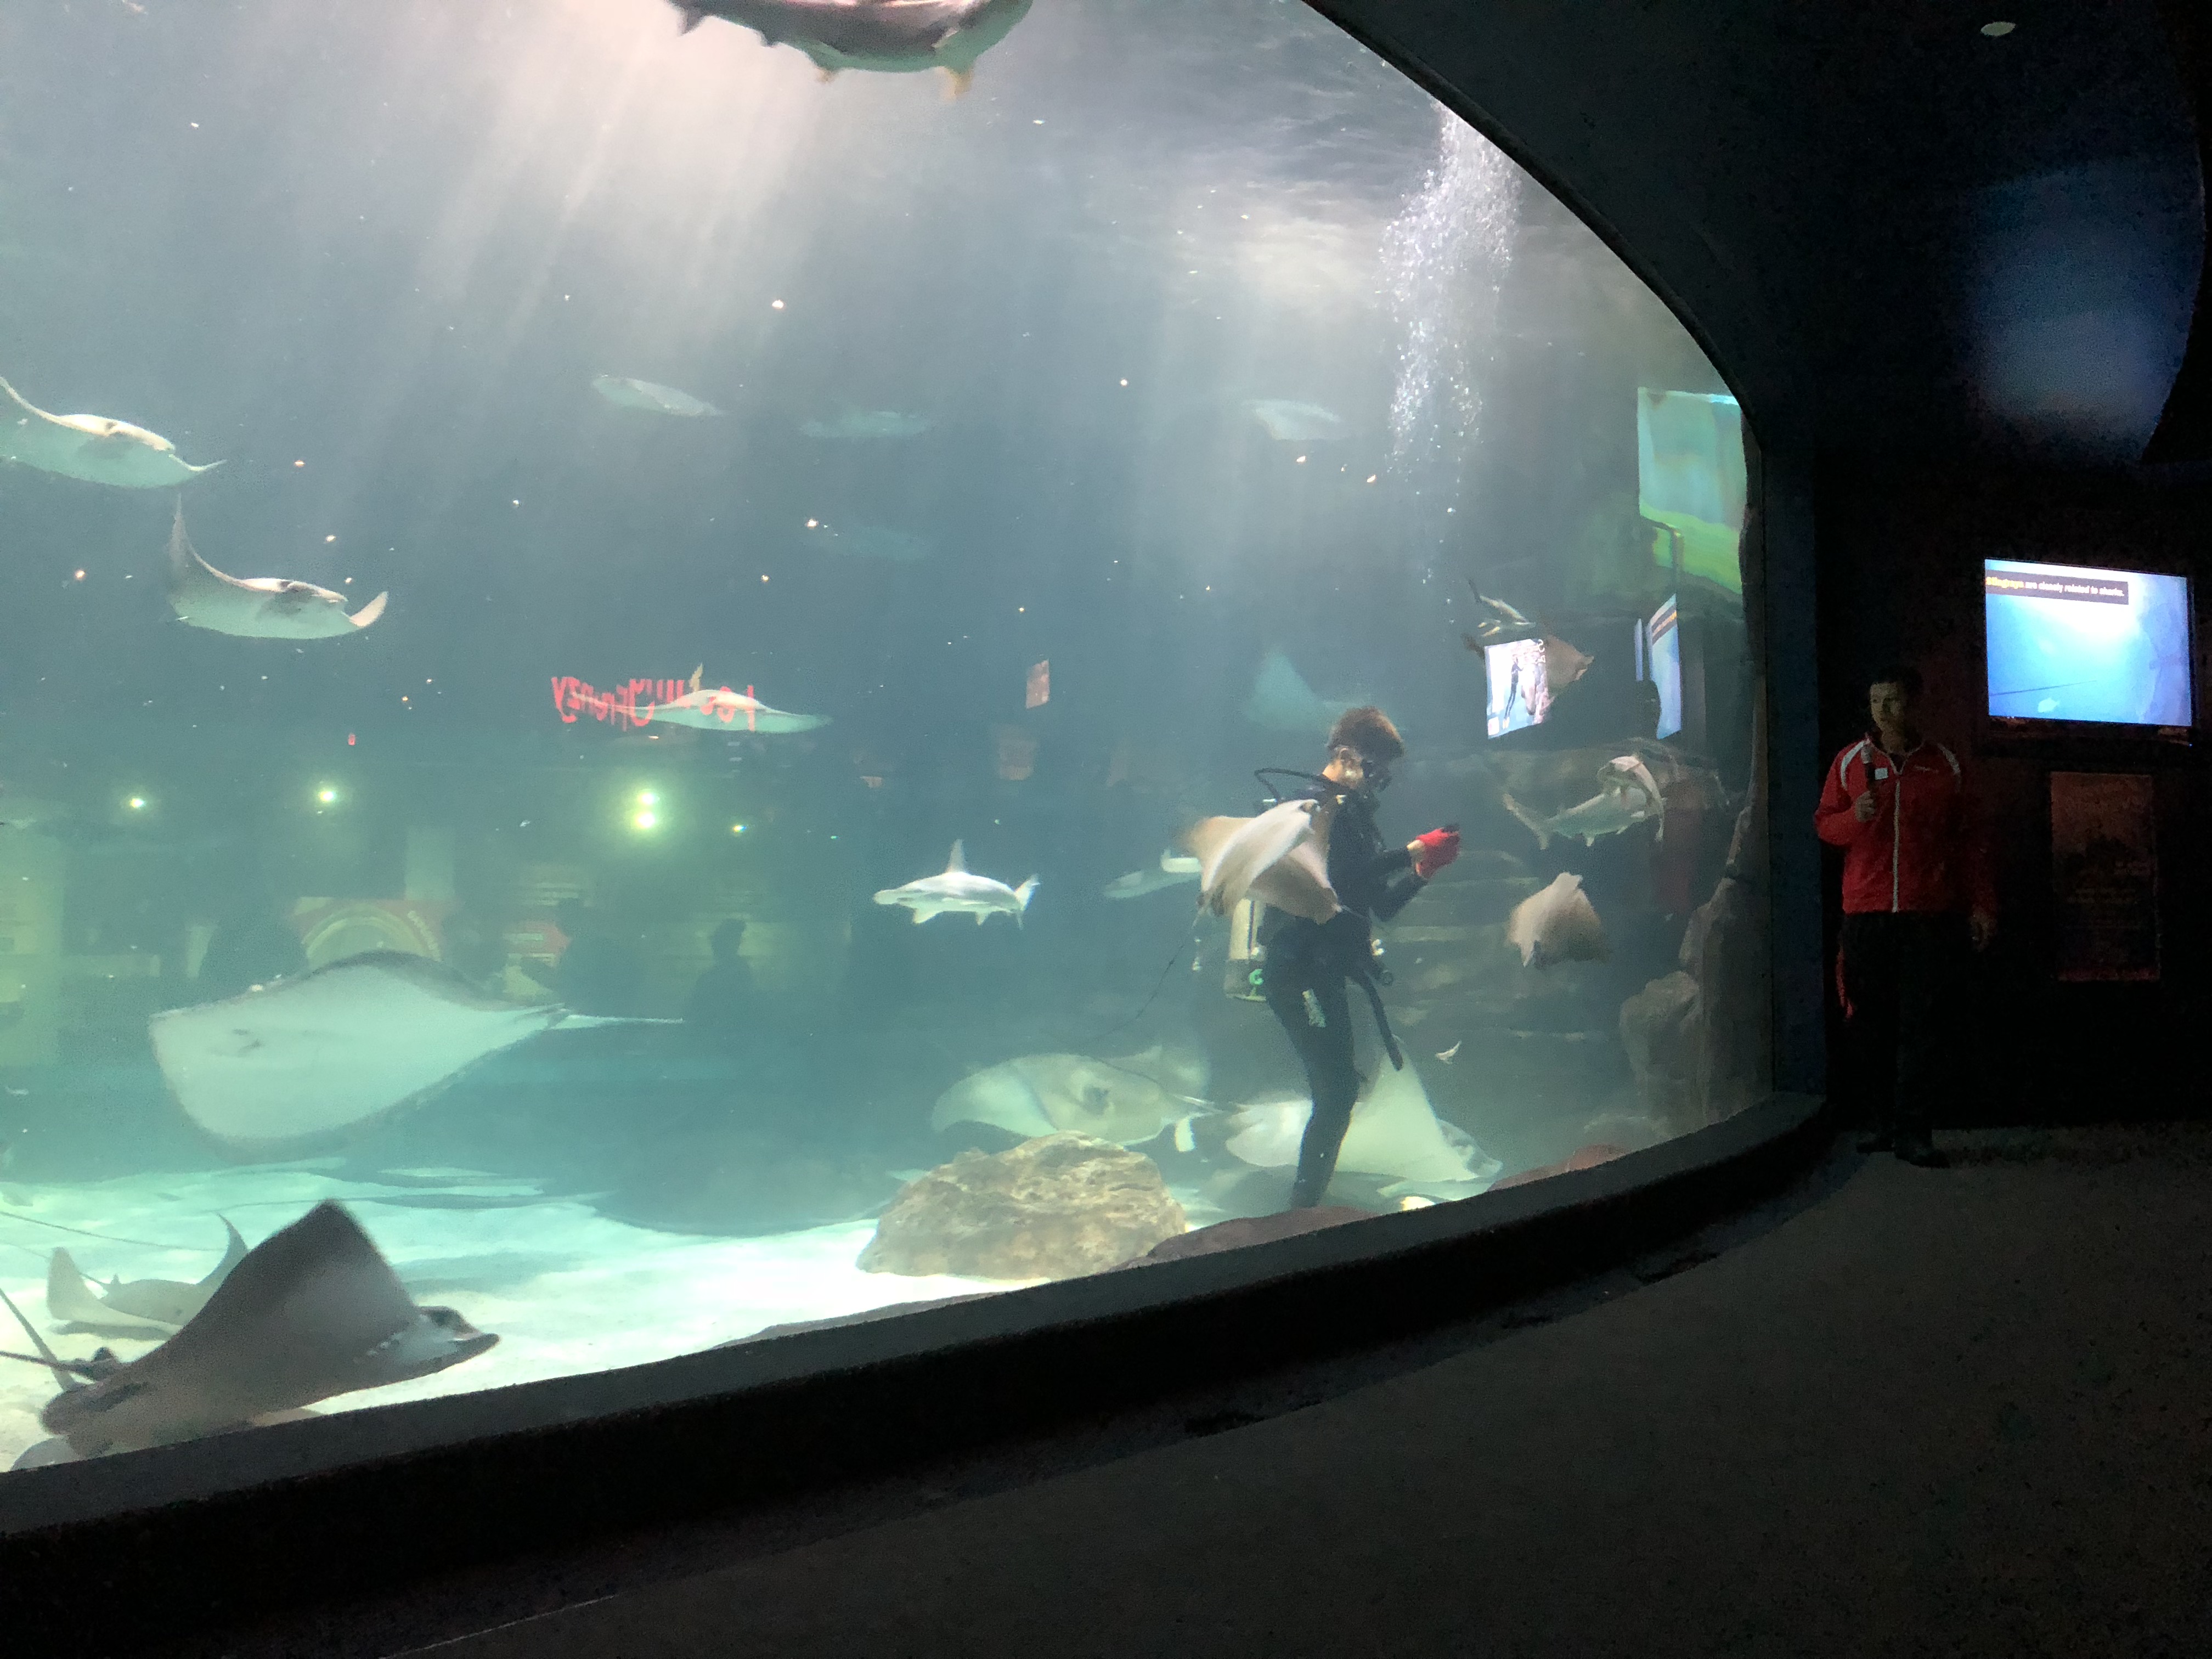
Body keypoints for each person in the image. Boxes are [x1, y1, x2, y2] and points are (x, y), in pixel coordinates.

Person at [1260, 707, 1460, 1207]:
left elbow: (1380, 904)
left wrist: (1422, 873)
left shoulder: (1356, 819)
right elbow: (1336, 880)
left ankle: (1305, 1206)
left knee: (1339, 1090)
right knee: (1336, 1094)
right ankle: (1301, 1212)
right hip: (1298, 969)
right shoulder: (1309, 808)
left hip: (1325, 970)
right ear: (1345, 756)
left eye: (1384, 776)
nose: (1378, 784)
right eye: (1375, 771)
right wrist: (1414, 848)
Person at [1814, 665, 1995, 1166]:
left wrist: (1982, 903)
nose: (1884, 712)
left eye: (1893, 701)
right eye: (1876, 702)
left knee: (1922, 1026)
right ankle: (1879, 1122)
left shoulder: (1947, 765)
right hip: (1867, 913)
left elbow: (1971, 843)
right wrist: (1856, 818)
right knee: (1868, 1022)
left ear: (1914, 703)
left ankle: (1915, 1132)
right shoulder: (1850, 761)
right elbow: (1825, 825)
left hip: (1927, 913)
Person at [684, 918, 756, 1048]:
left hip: (732, 1043)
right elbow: (694, 1015)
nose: (715, 946)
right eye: (717, 942)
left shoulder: (739, 975)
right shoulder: (708, 979)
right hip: (712, 1043)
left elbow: (743, 1011)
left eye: (720, 942)